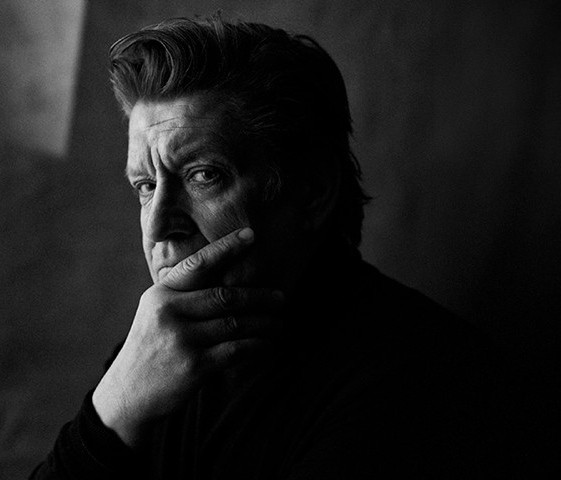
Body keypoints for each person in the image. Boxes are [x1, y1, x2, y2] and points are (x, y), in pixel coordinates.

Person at [32, 15, 508, 479]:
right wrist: (113, 407)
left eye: (203, 176)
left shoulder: (418, 381)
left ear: (313, 191)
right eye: (145, 185)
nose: (158, 225)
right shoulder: (152, 356)